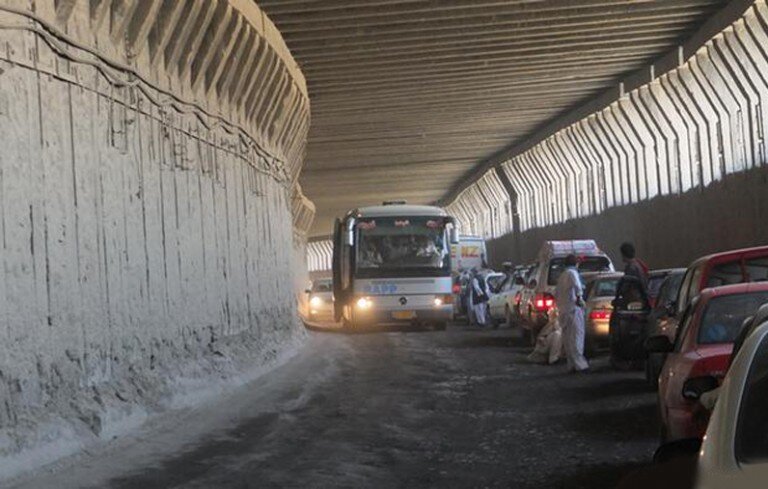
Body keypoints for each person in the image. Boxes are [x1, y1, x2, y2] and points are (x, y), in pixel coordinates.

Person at [556, 254, 589, 372]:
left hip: (564, 311)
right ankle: (580, 365)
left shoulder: (561, 276)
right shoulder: (572, 273)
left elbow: (557, 294)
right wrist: (580, 299)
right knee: (577, 337)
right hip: (574, 309)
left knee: (568, 338)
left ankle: (571, 364)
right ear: (576, 263)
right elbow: (578, 287)